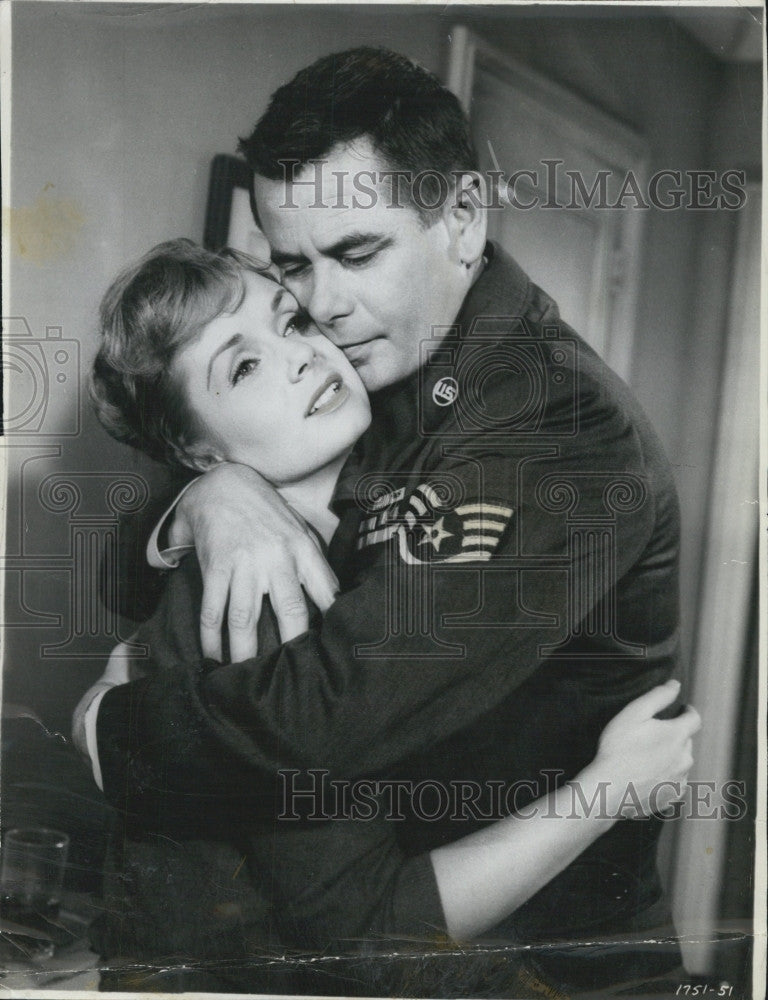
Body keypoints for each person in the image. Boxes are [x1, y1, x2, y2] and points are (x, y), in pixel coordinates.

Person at [89, 48, 687, 993]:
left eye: (358, 253)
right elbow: (127, 562)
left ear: (461, 220)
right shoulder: (383, 372)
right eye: (294, 269)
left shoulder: (559, 429)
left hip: (550, 968)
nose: (322, 307)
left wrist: (108, 729)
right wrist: (211, 500)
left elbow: (322, 717)